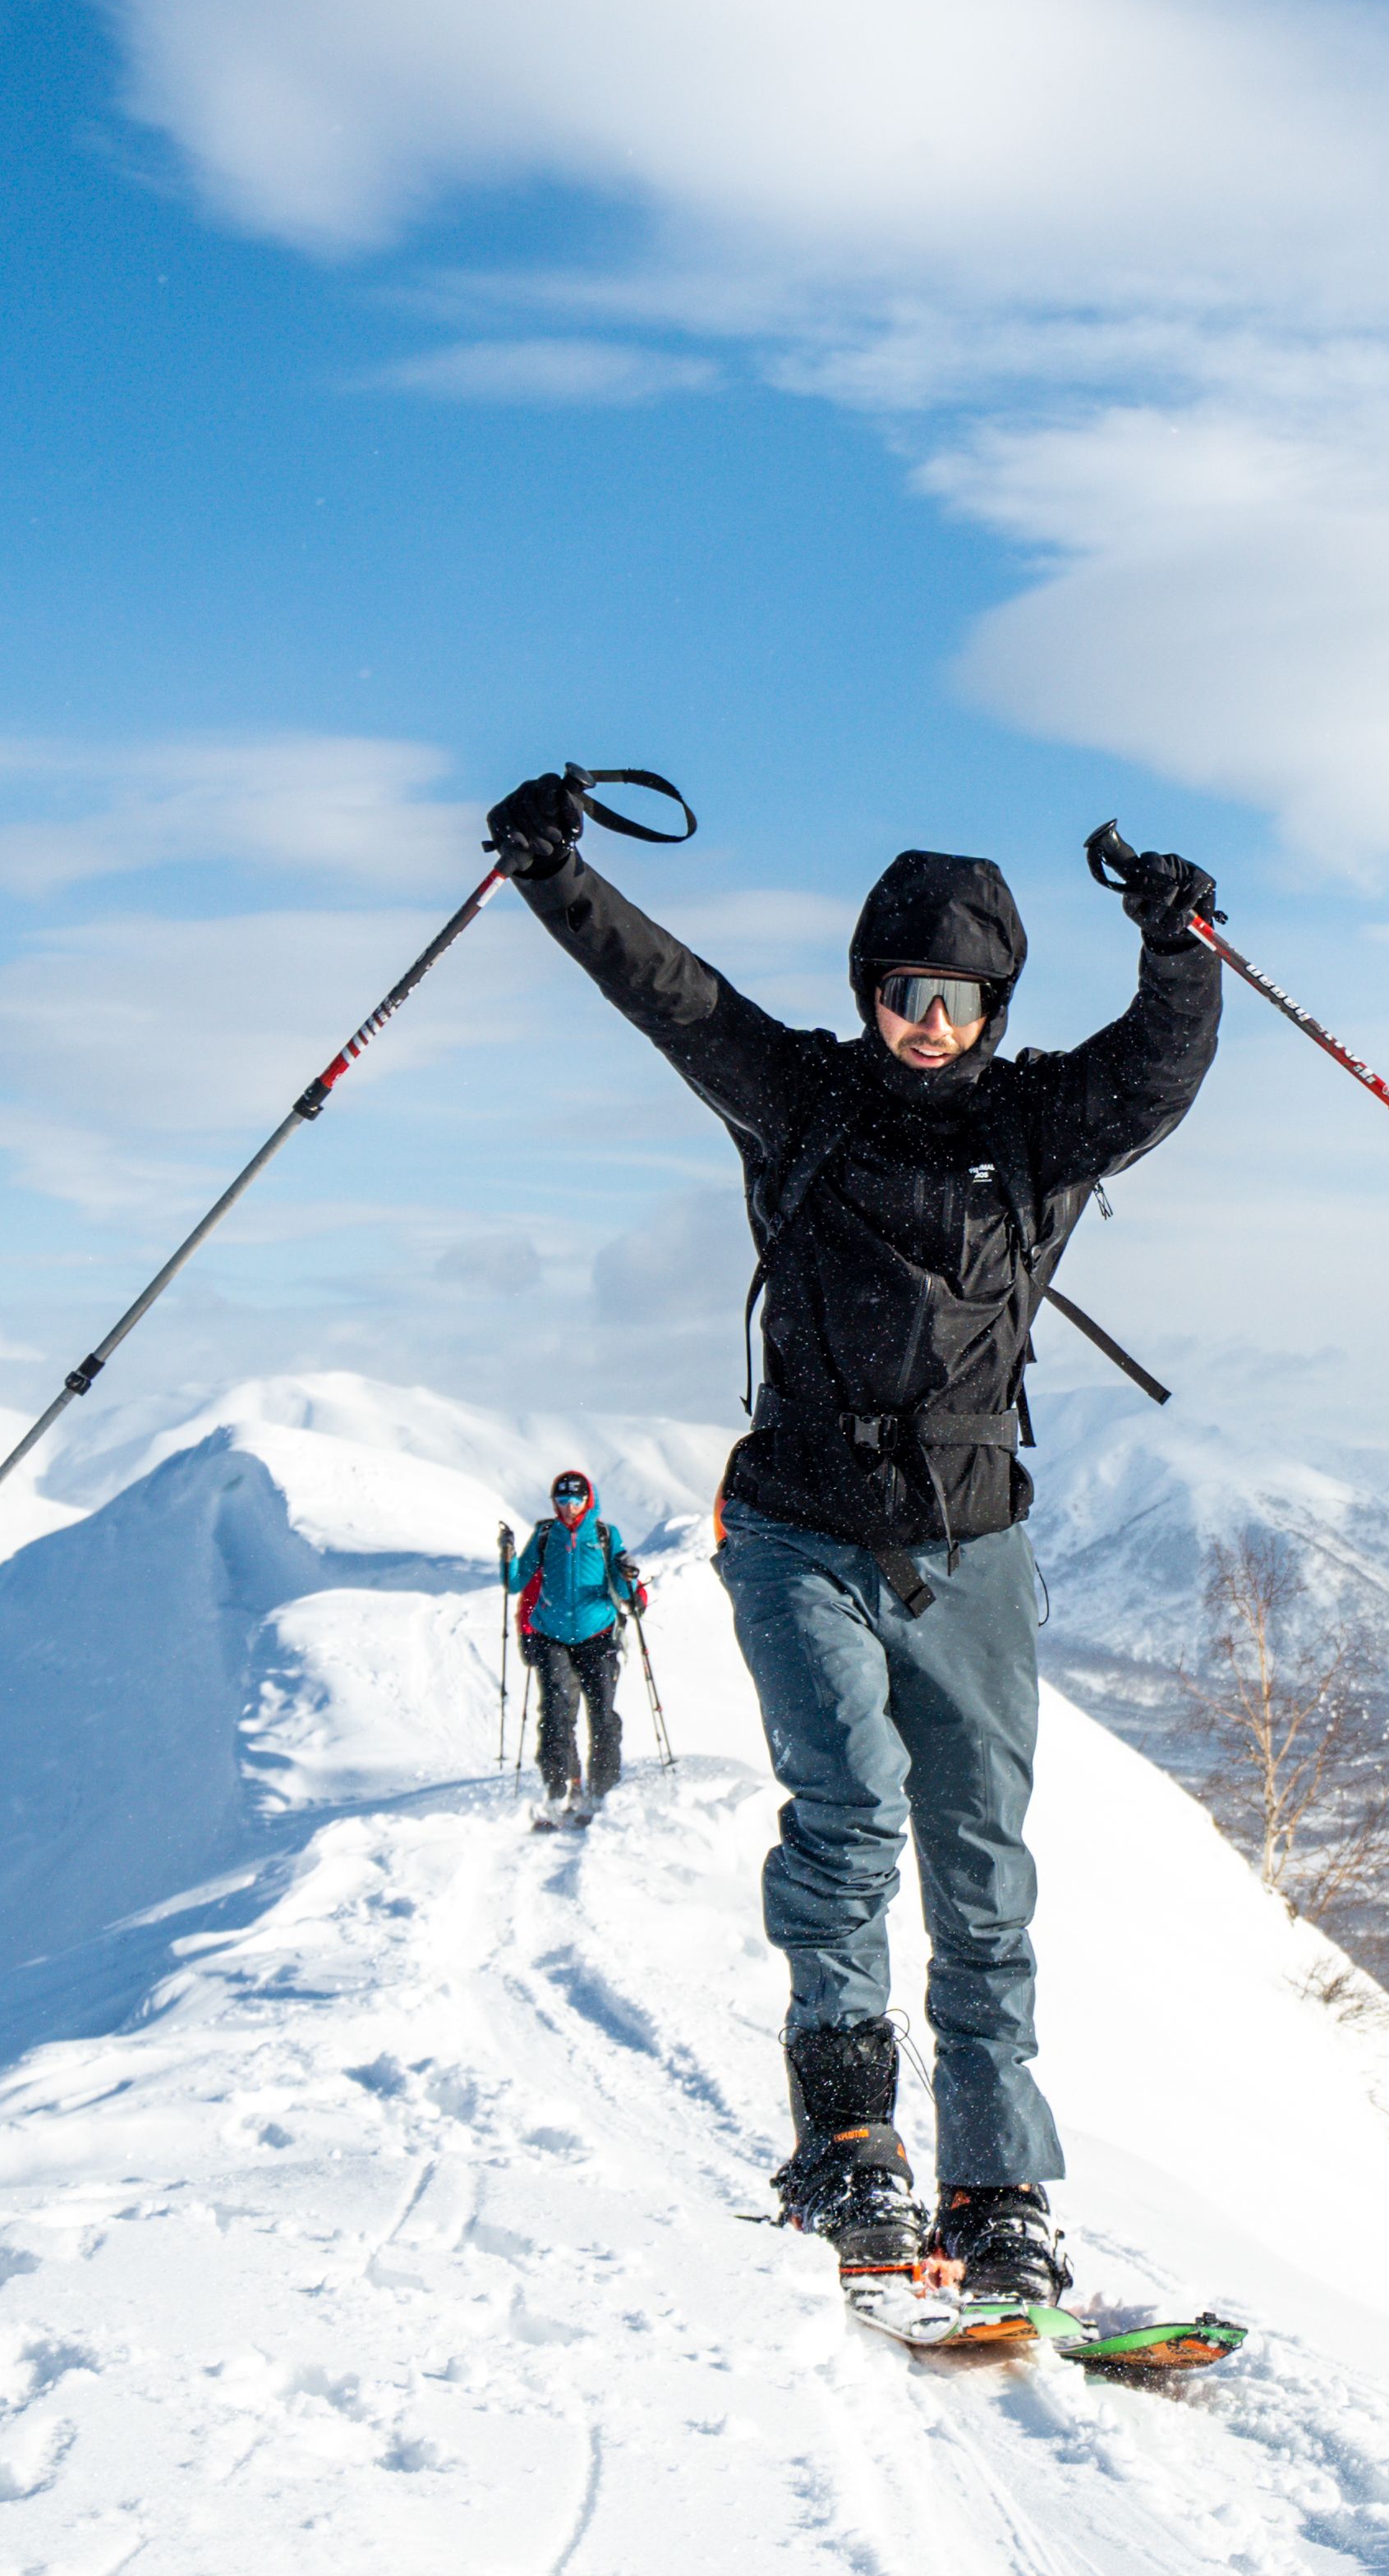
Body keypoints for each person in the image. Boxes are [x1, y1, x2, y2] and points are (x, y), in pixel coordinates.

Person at [484, 768, 1223, 2309]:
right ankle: (847, 2139)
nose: (927, 1021)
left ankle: (1001, 2183)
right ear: (868, 990)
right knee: (850, 1811)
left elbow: (1154, 1076)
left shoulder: (1039, 1129)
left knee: (981, 1868)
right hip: (799, 1529)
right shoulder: (800, 1097)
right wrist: (555, 875)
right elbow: (674, 1000)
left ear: (993, 1002)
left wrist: (1179, 949)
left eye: (955, 996)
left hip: (975, 1546)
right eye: (903, 991)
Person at [501, 1465, 634, 1821]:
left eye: (576, 1499)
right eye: (562, 1500)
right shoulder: (546, 1534)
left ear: (588, 1500)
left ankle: (603, 1790)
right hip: (552, 1636)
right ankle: (560, 1789)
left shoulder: (606, 1535)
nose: (569, 1507)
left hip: (598, 1635)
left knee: (602, 1715)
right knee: (557, 1716)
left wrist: (628, 1576)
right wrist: (508, 1557)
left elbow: (626, 1595)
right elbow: (515, 1583)